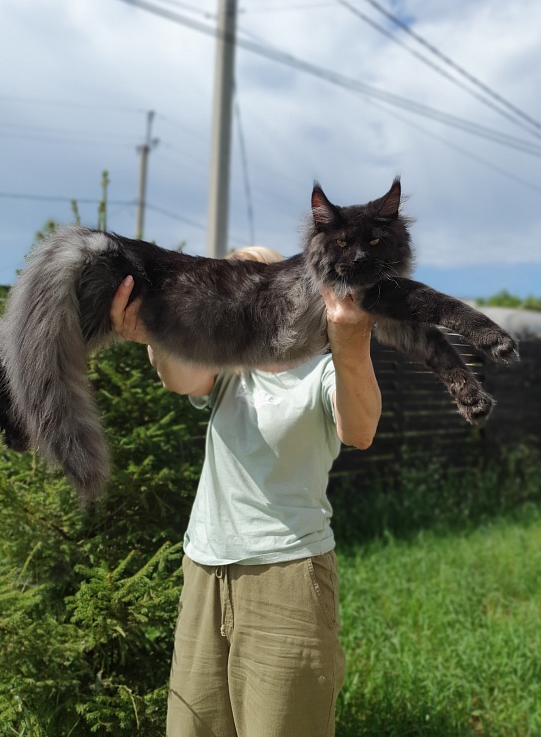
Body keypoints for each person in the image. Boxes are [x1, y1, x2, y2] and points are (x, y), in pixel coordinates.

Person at [109, 246, 381, 737]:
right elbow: (180, 377)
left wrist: (353, 342)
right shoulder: (229, 372)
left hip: (288, 577)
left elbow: (359, 428)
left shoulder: (321, 371)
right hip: (204, 571)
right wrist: (158, 326)